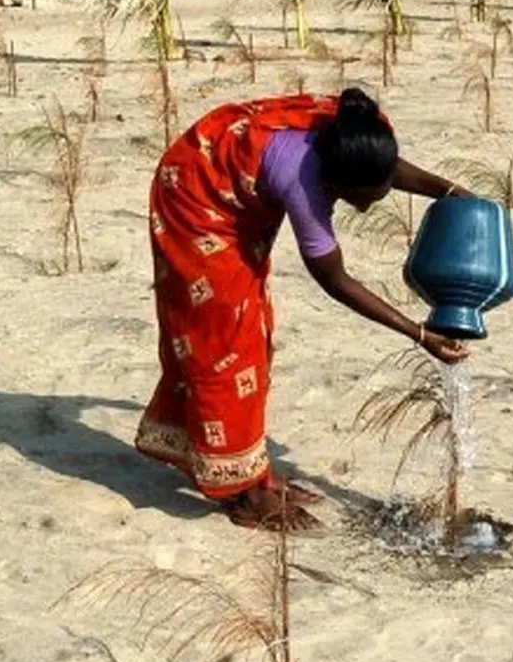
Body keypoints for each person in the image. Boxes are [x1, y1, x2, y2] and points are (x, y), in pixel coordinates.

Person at [136, 88, 473, 531]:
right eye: (360, 199)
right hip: (196, 195)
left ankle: (250, 470)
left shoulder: (362, 134)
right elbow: (335, 279)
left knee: (253, 334)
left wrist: (454, 194)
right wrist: (418, 333)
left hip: (234, 169)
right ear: (334, 184)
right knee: (224, 343)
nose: (369, 206)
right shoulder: (304, 183)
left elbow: (384, 172)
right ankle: (243, 493)